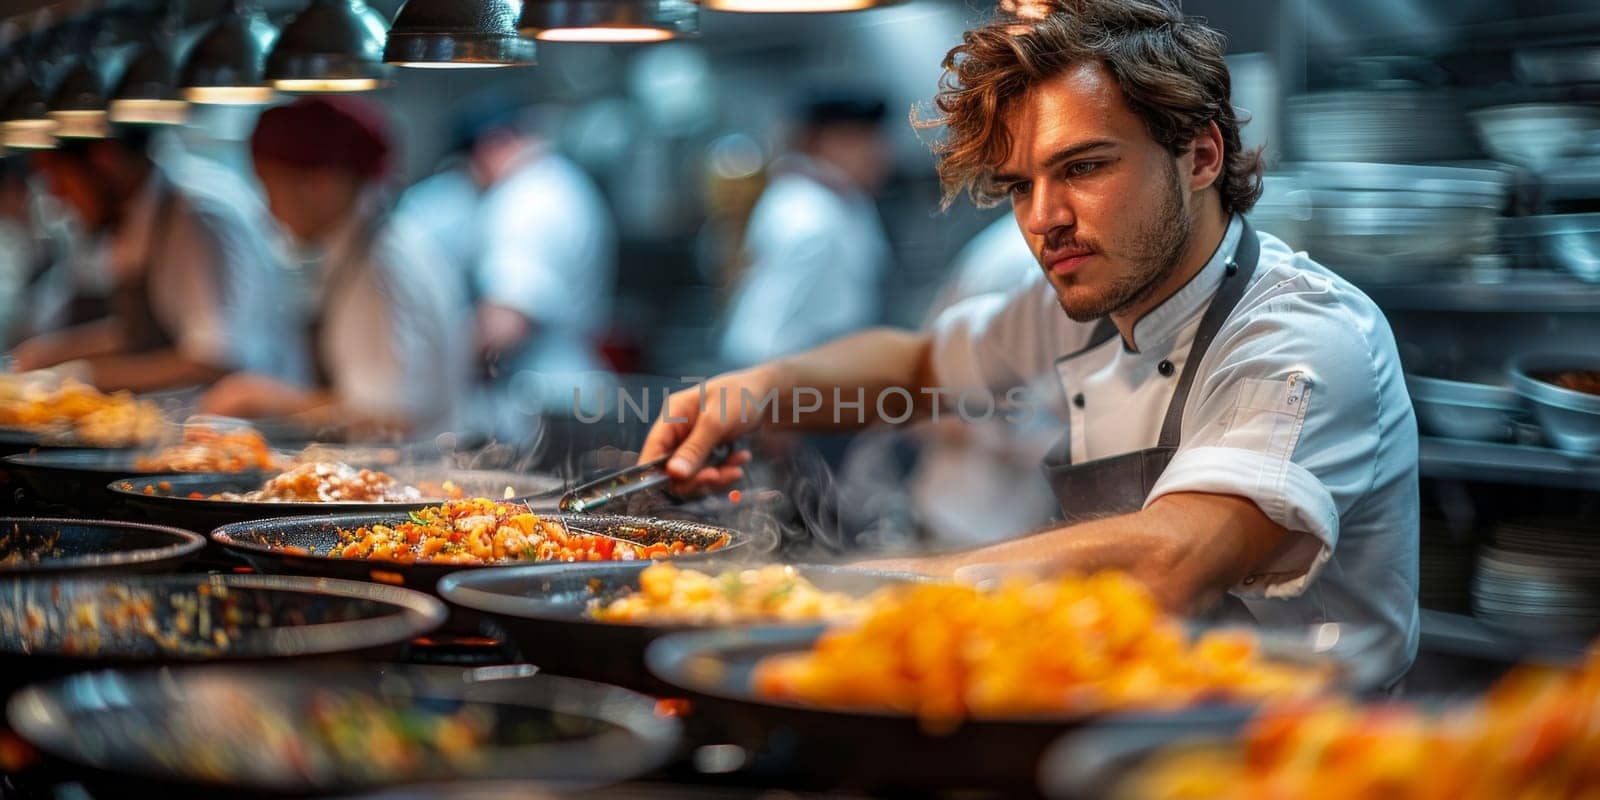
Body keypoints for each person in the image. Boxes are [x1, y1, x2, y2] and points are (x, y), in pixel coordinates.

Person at [640, 0, 1420, 687]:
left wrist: (853, 589)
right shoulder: (1077, 303)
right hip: (1123, 714)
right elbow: (915, 367)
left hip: (1289, 753)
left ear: (1201, 156)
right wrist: (754, 389)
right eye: (1020, 184)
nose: (1043, 218)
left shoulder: (1301, 336)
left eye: (1083, 167)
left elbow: (1167, 559)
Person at [199, 96, 469, 439]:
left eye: (271, 187)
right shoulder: (368, 248)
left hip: (414, 476)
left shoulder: (380, 267)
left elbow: (387, 415)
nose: (267, 210)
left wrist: (261, 395)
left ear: (321, 184)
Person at [394, 100, 617, 442]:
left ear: (489, 147)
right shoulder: (560, 180)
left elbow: (505, 324)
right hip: (569, 389)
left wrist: (426, 363)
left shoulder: (524, 202)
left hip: (539, 400)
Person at [8, 129, 292, 391]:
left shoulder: (196, 221)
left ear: (104, 160)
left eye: (58, 177)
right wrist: (50, 355)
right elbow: (143, 331)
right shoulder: (133, 214)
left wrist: (79, 377)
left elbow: (212, 360)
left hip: (251, 425)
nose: (56, 196)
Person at [717, 91, 894, 368]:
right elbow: (759, 338)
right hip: (801, 387)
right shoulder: (809, 216)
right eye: (860, 140)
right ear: (818, 144)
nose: (879, 154)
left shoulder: (846, 200)